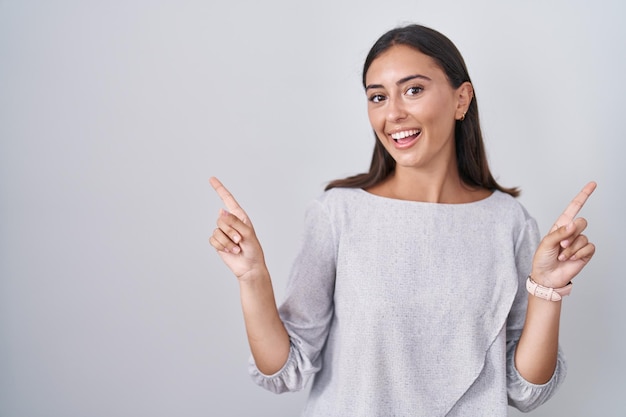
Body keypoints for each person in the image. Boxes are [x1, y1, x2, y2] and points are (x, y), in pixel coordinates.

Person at [208, 24, 596, 416]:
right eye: (378, 97)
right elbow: (285, 370)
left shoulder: (509, 223)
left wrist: (546, 290)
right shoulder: (338, 214)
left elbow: (525, 389)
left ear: (461, 99)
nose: (393, 113)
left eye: (413, 90)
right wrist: (252, 276)